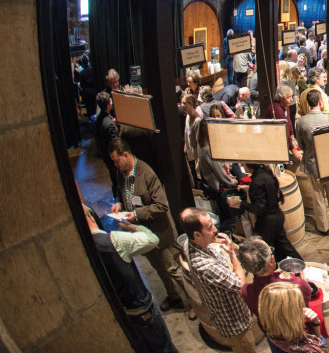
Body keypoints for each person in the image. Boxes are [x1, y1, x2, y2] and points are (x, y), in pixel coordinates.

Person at [85, 203, 178, 352]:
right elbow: (151, 239)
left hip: (119, 313)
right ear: (91, 216)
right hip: (139, 309)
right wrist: (132, 227)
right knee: (164, 348)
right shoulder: (113, 240)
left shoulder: (81, 250)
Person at [108, 139, 188, 313]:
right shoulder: (121, 173)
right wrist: (119, 203)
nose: (115, 165)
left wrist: (136, 214)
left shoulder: (146, 173)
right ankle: (173, 296)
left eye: (117, 160)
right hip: (142, 233)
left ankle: (195, 303)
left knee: (173, 269)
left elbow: (162, 205)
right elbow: (120, 192)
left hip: (161, 233)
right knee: (158, 268)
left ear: (126, 155)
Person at [181, 208, 260, 352]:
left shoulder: (188, 243)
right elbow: (241, 285)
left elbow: (224, 265)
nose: (215, 230)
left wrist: (230, 268)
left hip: (226, 313)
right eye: (209, 227)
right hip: (235, 323)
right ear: (197, 235)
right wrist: (232, 255)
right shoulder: (206, 266)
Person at [294, 90, 329, 235]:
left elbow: (301, 144)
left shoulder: (301, 122)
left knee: (318, 197)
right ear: (320, 102)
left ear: (308, 103)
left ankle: (323, 228)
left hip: (312, 164)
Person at [237, 238, 314, 335]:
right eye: (271, 250)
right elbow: (307, 298)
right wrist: (302, 281)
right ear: (271, 261)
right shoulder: (296, 285)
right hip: (297, 333)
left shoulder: (246, 290)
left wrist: (232, 254)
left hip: (271, 335)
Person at [228, 164, 301, 261]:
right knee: (285, 247)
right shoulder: (265, 174)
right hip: (277, 216)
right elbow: (267, 192)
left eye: (244, 164)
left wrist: (240, 202)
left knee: (261, 252)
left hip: (267, 222)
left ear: (250, 165)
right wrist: (248, 188)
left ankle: (271, 269)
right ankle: (302, 265)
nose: (242, 165)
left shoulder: (256, 181)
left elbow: (259, 208)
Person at [258, 282, 325, 353]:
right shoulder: (303, 350)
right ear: (288, 316)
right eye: (299, 306)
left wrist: (315, 323)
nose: (303, 309)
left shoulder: (273, 332)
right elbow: (322, 344)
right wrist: (316, 324)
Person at [95, 90, 120, 199]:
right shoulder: (109, 124)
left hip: (106, 157)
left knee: (114, 181)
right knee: (118, 182)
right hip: (113, 159)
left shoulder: (98, 119)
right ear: (108, 104)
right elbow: (116, 143)